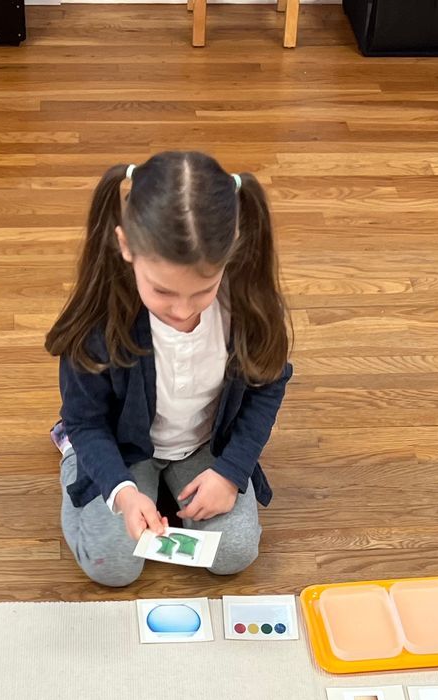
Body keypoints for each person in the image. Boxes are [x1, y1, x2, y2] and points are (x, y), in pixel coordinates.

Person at [47, 151, 292, 586]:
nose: (181, 310)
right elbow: (87, 421)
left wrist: (231, 472)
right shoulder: (98, 323)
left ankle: (159, 484)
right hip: (123, 448)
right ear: (126, 247)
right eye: (161, 291)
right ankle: (72, 455)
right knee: (113, 566)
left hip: (202, 447)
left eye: (202, 291)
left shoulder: (249, 307)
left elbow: (267, 387)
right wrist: (121, 491)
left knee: (235, 552)